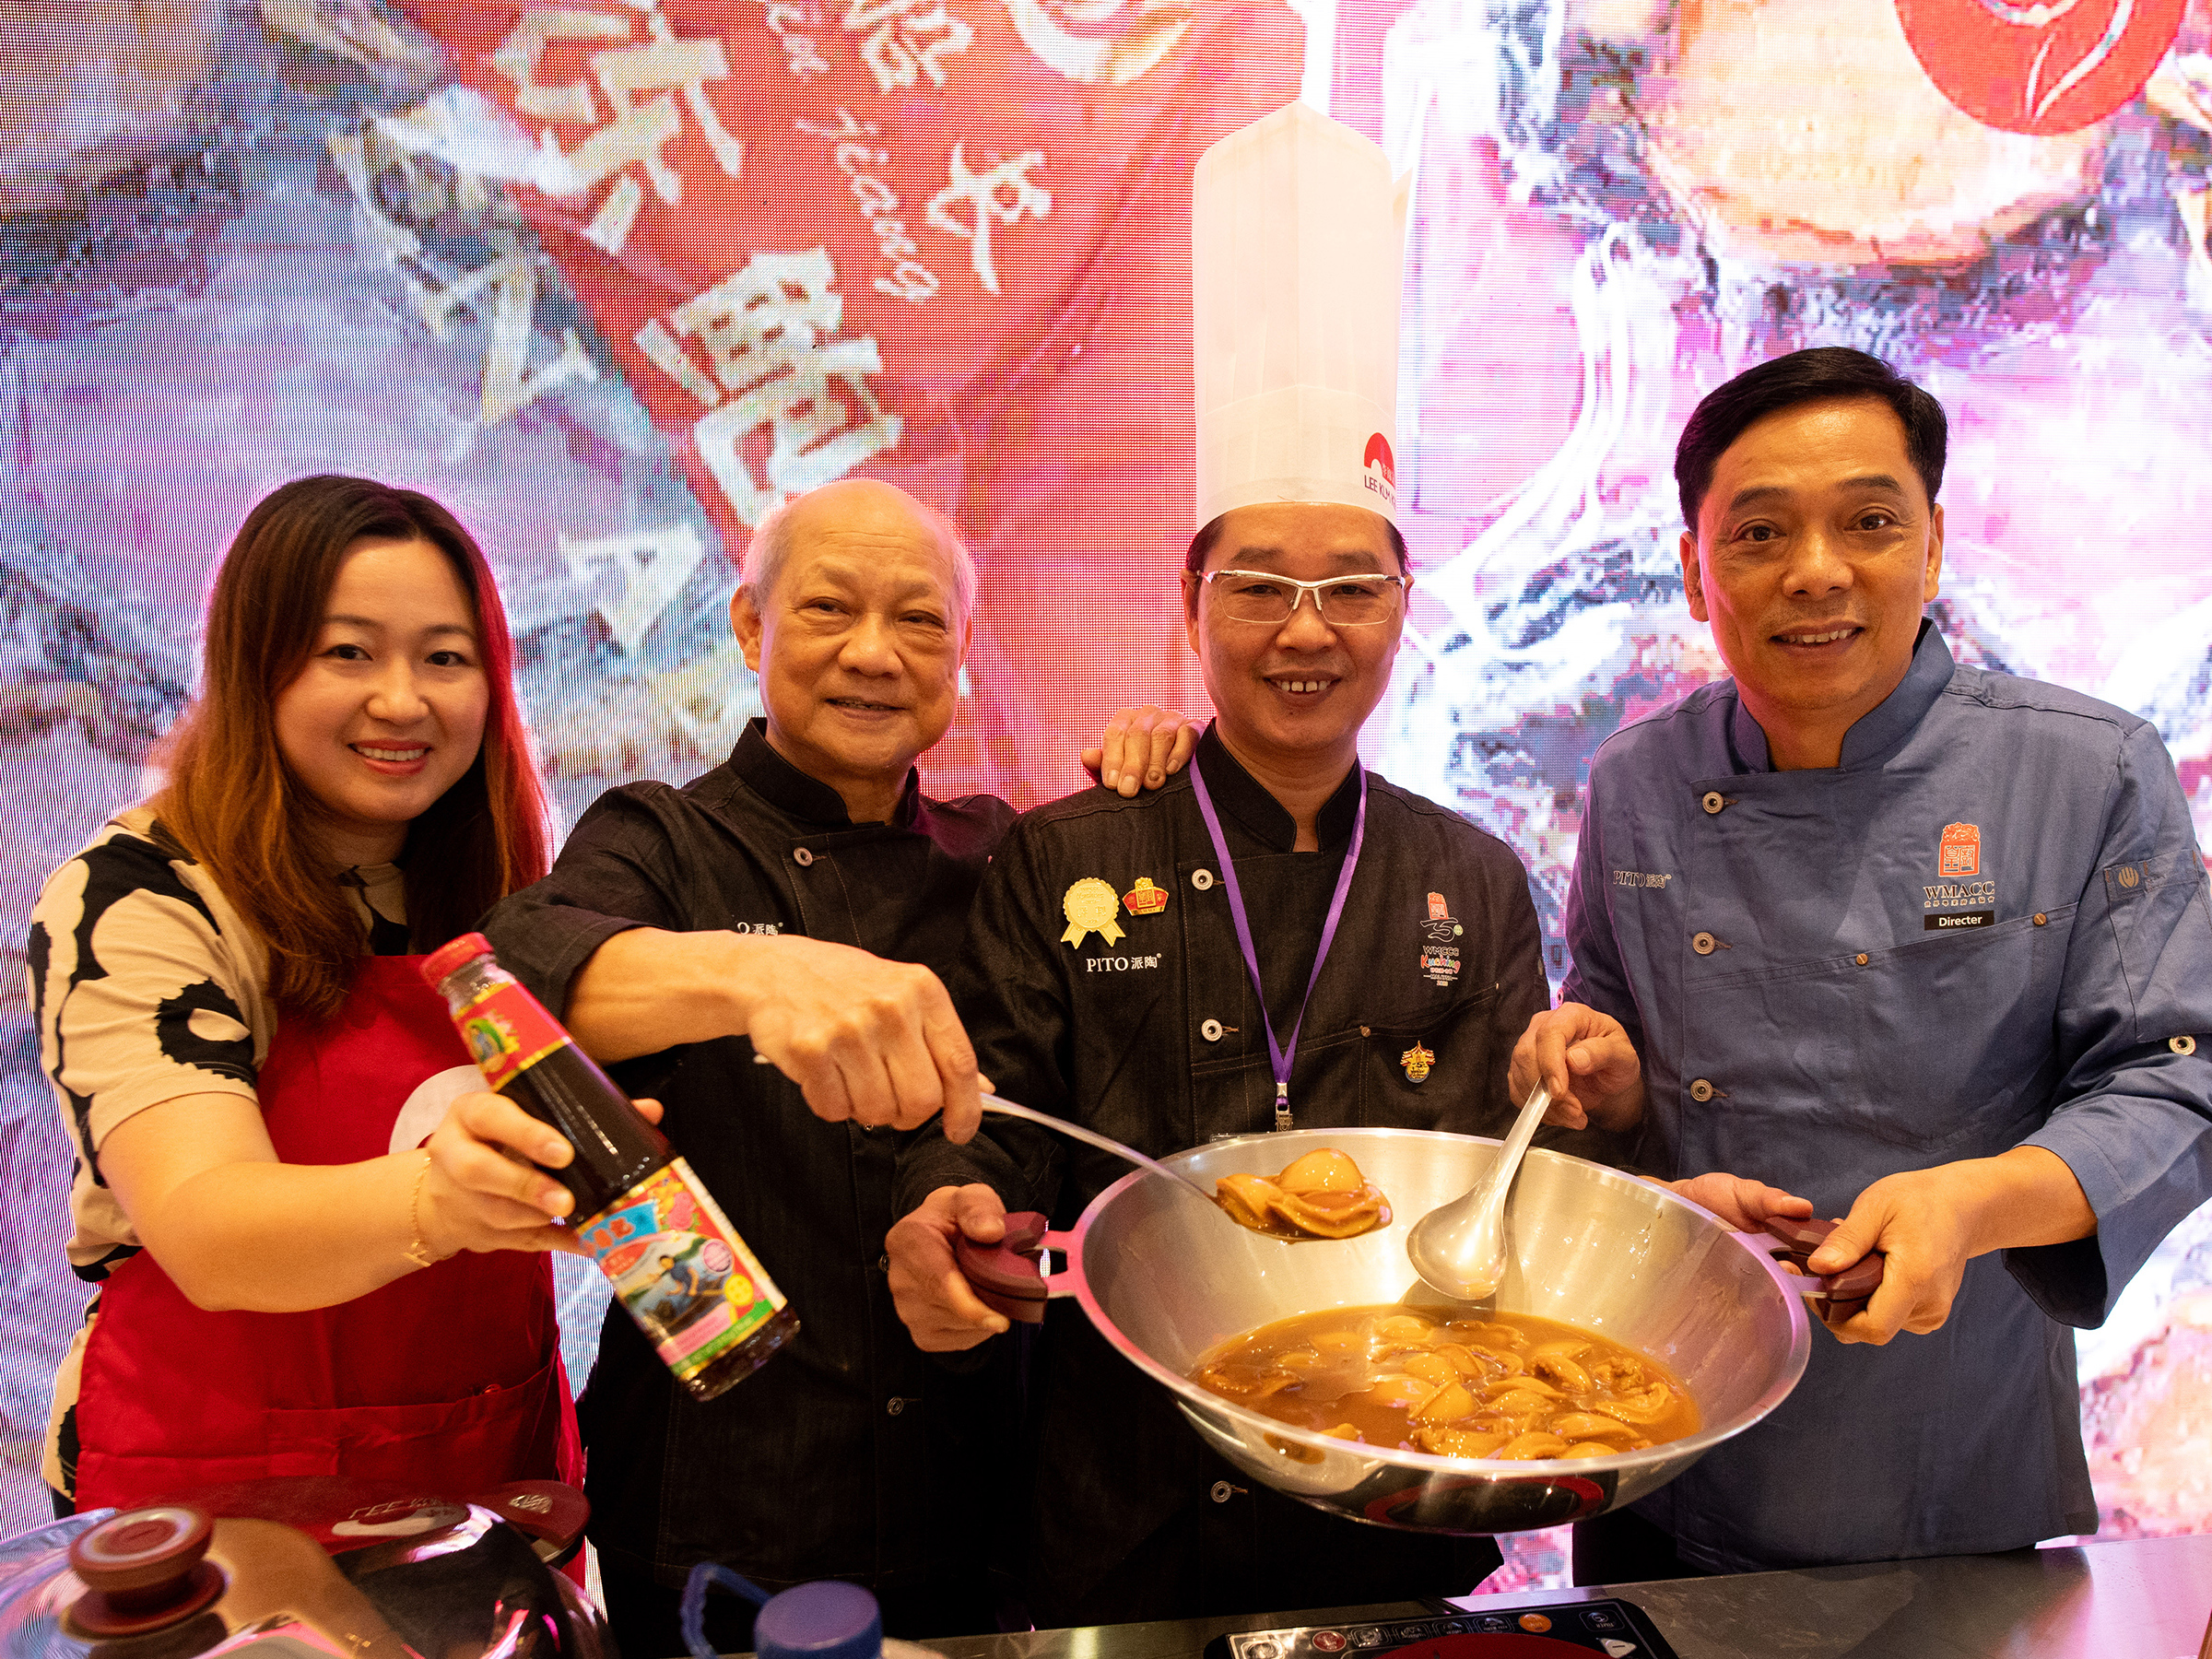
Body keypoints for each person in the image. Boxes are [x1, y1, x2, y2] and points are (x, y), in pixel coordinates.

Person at [884, 105, 1616, 1626]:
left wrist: (1572, 1091)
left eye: (1350, 587)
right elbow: (992, 1112)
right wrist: (949, 1200)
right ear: (1192, 600)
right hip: (1111, 1503)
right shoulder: (1073, 848)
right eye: (1261, 587)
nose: (1304, 630)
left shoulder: (1469, 877)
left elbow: (1500, 1189)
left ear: (1404, 608)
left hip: (1393, 1500)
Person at [1513, 346, 2212, 1581]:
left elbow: (2176, 1077)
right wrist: (1599, 1078)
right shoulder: (1636, 778)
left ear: (1934, 546)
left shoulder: (2086, 769)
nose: (1816, 572)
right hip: (1661, 1440)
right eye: (1760, 533)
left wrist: (1972, 1202)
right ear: (1693, 569)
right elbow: (1612, 1028)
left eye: (1869, 522)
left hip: (1952, 1464)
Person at [477, 474, 1194, 1655]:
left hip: (978, 1498)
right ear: (751, 628)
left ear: (961, 651)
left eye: (919, 621)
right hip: (721, 1499)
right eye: (827, 611)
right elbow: (521, 976)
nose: (874, 653)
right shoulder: (662, 836)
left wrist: (1168, 776)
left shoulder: (1001, 858)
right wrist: (757, 979)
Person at [26, 475, 618, 1512]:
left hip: (482, 1462)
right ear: (256, 667)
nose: (403, 701)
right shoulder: (143, 894)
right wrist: (448, 1199)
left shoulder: (518, 888)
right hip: (217, 1490)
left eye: (445, 657)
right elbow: (209, 1228)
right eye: (349, 652)